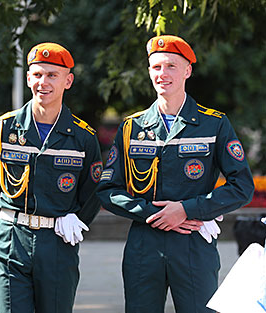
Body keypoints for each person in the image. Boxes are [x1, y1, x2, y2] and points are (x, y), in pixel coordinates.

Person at [96, 35, 255, 313]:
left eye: (171, 66)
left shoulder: (213, 123)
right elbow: (108, 190)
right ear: (149, 72)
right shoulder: (132, 128)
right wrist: (152, 213)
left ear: (187, 70)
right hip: (145, 243)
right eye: (156, 67)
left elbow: (241, 186)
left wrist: (188, 209)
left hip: (193, 242)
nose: (162, 74)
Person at [0, 42, 103, 313]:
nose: (42, 82)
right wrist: (8, 224)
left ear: (68, 81)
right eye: (37, 75)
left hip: (57, 240)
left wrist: (77, 220)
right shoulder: (4, 129)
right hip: (11, 240)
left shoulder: (83, 136)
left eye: (52, 75)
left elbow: (93, 190)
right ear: (27, 78)